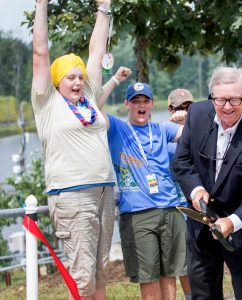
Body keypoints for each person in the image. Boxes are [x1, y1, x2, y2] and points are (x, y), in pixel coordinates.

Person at [172, 67, 242, 300]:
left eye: (234, 100)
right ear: (212, 96)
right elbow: (182, 161)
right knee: (202, 294)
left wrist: (232, 221)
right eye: (220, 100)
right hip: (201, 226)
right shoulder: (197, 113)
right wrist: (196, 190)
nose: (227, 107)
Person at [32, 0, 116, 298]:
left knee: (100, 273)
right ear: (57, 81)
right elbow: (41, 53)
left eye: (81, 76)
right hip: (72, 194)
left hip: (104, 191)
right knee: (81, 278)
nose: (78, 81)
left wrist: (104, 8)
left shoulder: (89, 98)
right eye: (71, 77)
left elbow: (95, 52)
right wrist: (41, 4)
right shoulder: (47, 102)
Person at [103, 81, 186, 300]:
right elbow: (94, 106)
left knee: (171, 274)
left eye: (146, 101)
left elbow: (196, 133)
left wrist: (187, 119)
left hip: (170, 209)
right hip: (138, 213)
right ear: (126, 104)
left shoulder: (161, 128)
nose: (141, 105)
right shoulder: (117, 128)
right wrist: (112, 80)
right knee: (148, 277)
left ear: (151, 104)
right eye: (135, 101)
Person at [167, 88, 194, 300]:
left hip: (198, 205)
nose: (185, 111)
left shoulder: (201, 130)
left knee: (200, 260)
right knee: (181, 263)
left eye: (189, 107)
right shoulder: (163, 136)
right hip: (175, 206)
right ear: (170, 110)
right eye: (180, 107)